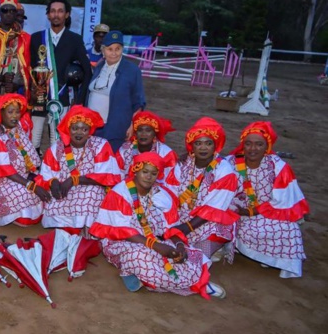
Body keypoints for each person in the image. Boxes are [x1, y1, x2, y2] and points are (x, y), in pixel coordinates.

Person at [90, 152, 226, 298]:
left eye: (153, 173)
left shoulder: (162, 194)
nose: (149, 177)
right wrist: (156, 246)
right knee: (141, 256)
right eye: (145, 172)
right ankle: (198, 286)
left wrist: (179, 245)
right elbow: (121, 232)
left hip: (156, 239)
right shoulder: (120, 193)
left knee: (183, 255)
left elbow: (171, 228)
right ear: (135, 171)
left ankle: (144, 277)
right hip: (122, 243)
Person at [227, 121, 309, 278]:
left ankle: (274, 261)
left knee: (290, 230)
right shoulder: (231, 162)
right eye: (248, 144)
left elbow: (282, 200)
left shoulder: (278, 167)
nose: (253, 149)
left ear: (267, 146)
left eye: (259, 144)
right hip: (236, 212)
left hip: (267, 212)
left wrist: (252, 211)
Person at [165, 117, 239, 262]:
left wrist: (185, 228)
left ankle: (215, 247)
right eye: (198, 143)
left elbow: (213, 209)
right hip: (182, 217)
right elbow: (170, 194)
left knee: (194, 260)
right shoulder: (183, 165)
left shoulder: (224, 171)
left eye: (208, 143)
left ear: (215, 146)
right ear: (191, 146)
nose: (203, 148)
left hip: (208, 223)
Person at [38, 105, 121, 233]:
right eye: (75, 128)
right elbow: (46, 174)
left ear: (90, 131)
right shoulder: (57, 148)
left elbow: (107, 176)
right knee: (53, 198)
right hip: (64, 188)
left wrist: (74, 180)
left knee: (92, 192)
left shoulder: (100, 145)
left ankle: (86, 228)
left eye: (84, 129)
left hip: (89, 187)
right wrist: (53, 183)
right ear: (68, 129)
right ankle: (66, 227)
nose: (79, 133)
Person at [0, 94, 50, 226]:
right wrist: (31, 185)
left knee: (48, 183)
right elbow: (5, 171)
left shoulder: (18, 128)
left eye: (17, 112)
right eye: (10, 112)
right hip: (0, 182)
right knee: (26, 193)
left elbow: (28, 118)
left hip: (22, 177)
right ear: (0, 112)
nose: (14, 116)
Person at [29, 0, 92, 149]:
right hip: (39, 97)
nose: (56, 14)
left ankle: (54, 169)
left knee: (56, 139)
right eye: (53, 11)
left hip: (61, 98)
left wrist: (79, 102)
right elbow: (30, 68)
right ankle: (33, 169)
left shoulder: (75, 39)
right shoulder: (37, 38)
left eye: (60, 11)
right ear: (48, 15)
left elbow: (87, 71)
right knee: (33, 138)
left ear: (67, 14)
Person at [76, 30, 145, 152]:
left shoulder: (132, 70)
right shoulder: (99, 66)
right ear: (103, 50)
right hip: (92, 127)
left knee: (110, 163)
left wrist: (133, 125)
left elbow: (138, 101)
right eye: (110, 49)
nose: (114, 53)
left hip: (115, 128)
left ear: (122, 49)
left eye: (117, 49)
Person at [115, 110, 177, 182]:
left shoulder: (166, 153)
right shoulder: (124, 150)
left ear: (154, 134)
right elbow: (116, 176)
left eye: (148, 130)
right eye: (140, 130)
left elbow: (171, 181)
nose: (143, 134)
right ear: (135, 133)